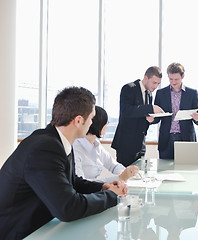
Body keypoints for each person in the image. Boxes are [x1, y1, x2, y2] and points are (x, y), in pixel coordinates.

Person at [0, 87, 127, 240]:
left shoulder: (57, 141)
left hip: (41, 228)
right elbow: (68, 208)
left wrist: (101, 187)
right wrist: (112, 196)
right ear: (79, 121)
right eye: (91, 118)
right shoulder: (45, 148)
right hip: (19, 233)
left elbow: (72, 181)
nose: (92, 123)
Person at [111, 66, 164, 166]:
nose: (156, 86)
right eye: (154, 82)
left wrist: (150, 119)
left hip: (140, 145)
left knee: (139, 178)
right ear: (145, 78)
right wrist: (150, 108)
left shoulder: (149, 94)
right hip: (126, 145)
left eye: (158, 83)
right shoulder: (129, 88)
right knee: (124, 177)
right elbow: (126, 111)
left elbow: (142, 115)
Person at [74, 106, 139, 183]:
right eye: (106, 122)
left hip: (95, 191)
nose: (107, 125)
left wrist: (127, 173)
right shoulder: (76, 148)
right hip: (85, 192)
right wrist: (119, 177)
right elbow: (82, 184)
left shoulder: (96, 144)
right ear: (98, 124)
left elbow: (114, 165)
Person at [152, 62, 198, 159]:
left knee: (185, 171)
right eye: (171, 79)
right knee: (164, 172)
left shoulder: (192, 93)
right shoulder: (160, 93)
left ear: (183, 76)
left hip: (186, 140)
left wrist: (197, 118)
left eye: (176, 79)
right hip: (166, 139)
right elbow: (157, 118)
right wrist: (152, 119)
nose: (173, 82)